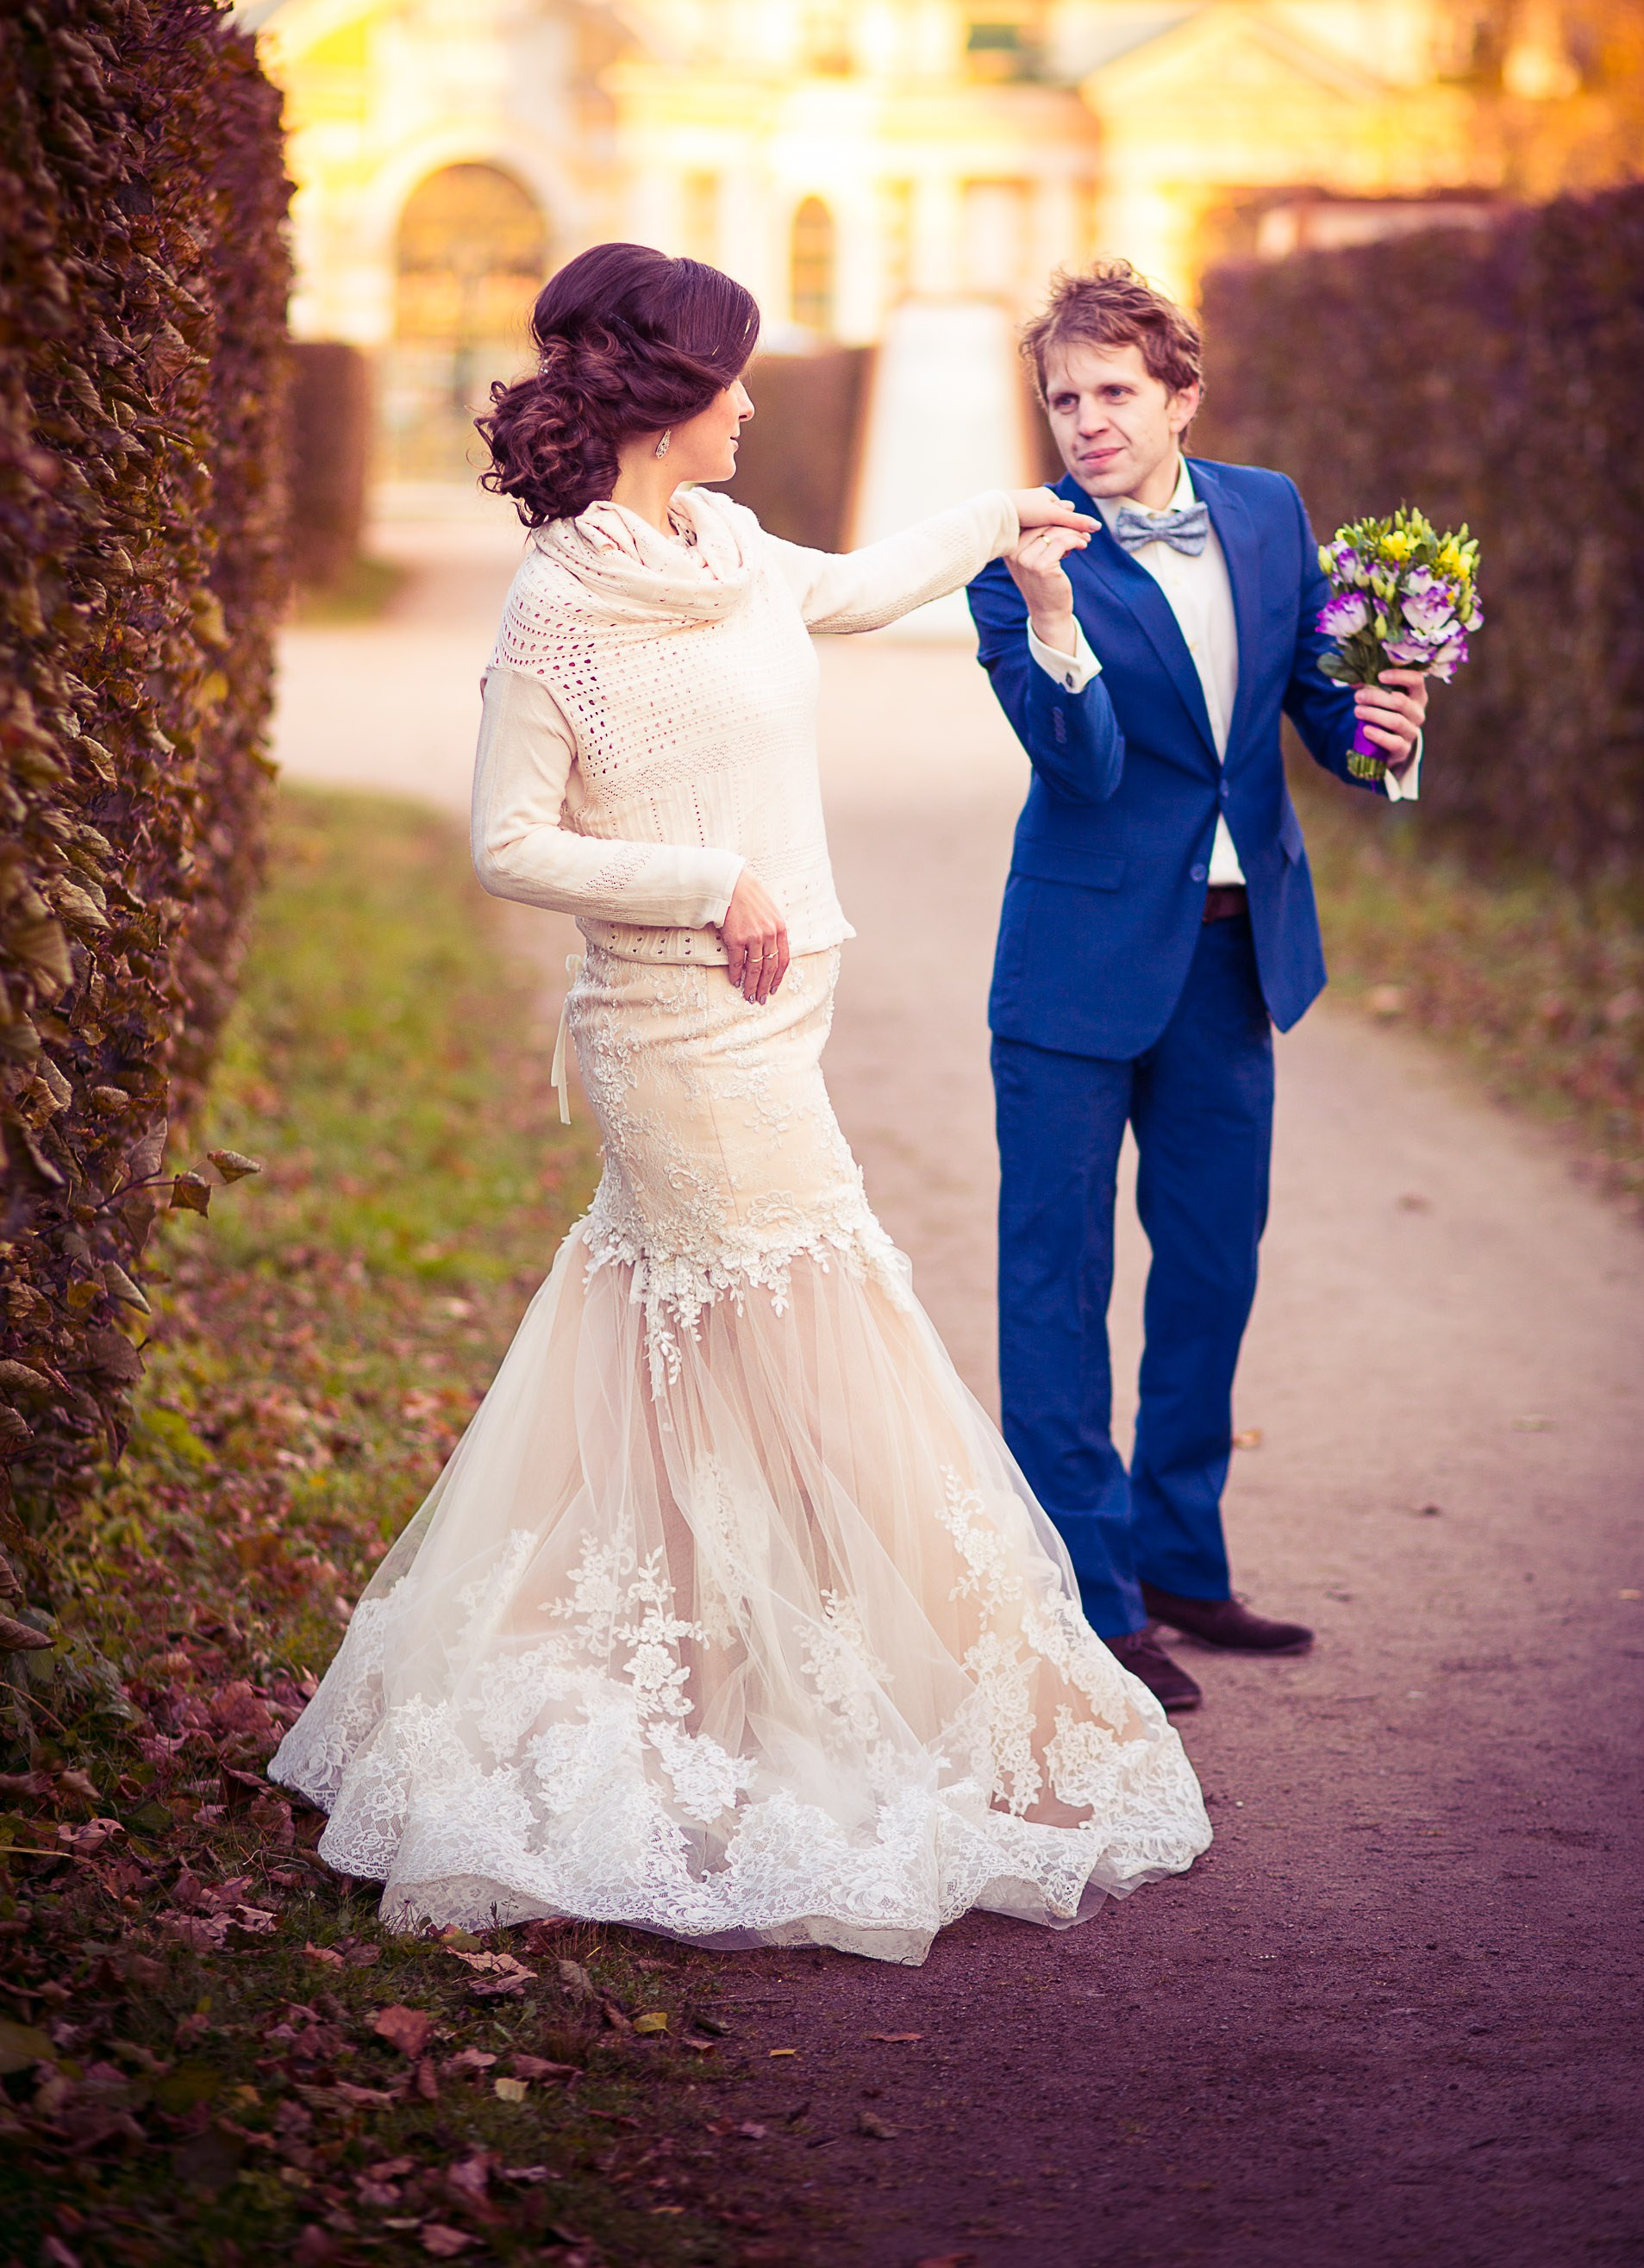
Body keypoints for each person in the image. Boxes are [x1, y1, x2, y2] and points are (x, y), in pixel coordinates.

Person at [270, 244, 1210, 1963]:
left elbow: (855, 588)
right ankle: (821, 1711)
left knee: (678, 1345)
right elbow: (507, 842)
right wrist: (709, 879)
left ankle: (692, 1666)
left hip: (782, 1016)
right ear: (665, 397)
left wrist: (1007, 515)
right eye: (733, 380)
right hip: (673, 1033)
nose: (755, 404)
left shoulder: (731, 552)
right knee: (811, 1331)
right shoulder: (558, 605)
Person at [968, 261, 1428, 1715]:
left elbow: (1304, 710)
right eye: (1063, 398)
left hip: (1235, 953)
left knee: (1213, 1267)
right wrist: (1049, 615)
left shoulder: (1269, 512)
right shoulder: (1017, 558)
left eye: (1115, 393)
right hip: (1077, 965)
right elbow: (1083, 765)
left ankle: (1179, 1561)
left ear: (1179, 394)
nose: (1087, 423)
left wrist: (1386, 729)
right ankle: (1092, 1602)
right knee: (1059, 1284)